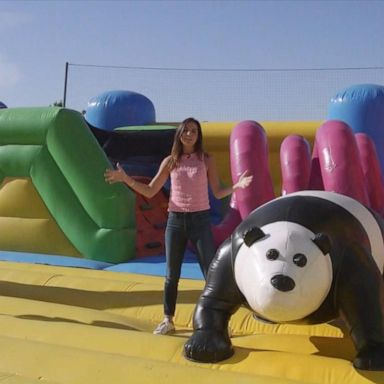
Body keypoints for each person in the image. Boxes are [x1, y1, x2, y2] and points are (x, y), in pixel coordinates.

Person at [104, 117, 253, 335]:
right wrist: (126, 179)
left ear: (198, 135)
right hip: (175, 221)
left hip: (200, 221)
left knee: (211, 271)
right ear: (179, 134)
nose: (189, 134)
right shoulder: (170, 161)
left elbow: (218, 192)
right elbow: (150, 191)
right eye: (186, 131)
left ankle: (218, 320)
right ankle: (168, 320)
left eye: (193, 131)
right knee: (171, 273)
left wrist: (237, 186)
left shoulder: (206, 159)